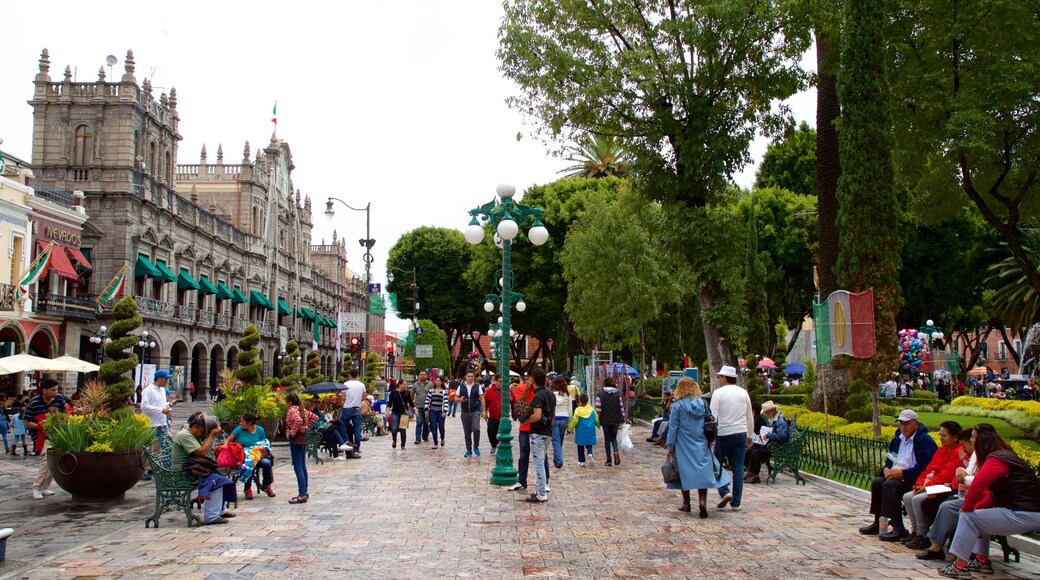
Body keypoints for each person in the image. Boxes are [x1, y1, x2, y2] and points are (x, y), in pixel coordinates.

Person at [939, 425, 1040, 578]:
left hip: (1023, 513)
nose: (971, 440)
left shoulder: (996, 459)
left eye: (973, 437)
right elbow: (996, 494)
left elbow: (978, 485)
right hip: (1028, 512)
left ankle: (959, 567)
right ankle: (981, 559)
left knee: (969, 517)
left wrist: (966, 509)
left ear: (981, 440)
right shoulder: (1006, 456)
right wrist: (975, 508)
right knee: (977, 515)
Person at [859, 409, 939, 540]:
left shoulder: (923, 440)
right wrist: (887, 468)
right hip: (897, 474)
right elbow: (891, 457)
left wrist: (904, 474)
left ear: (916, 424)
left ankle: (898, 527)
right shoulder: (898, 439)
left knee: (890, 485)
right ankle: (879, 522)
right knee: (878, 483)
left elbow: (925, 466)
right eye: (901, 423)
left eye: (907, 423)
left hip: (915, 478)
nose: (903, 427)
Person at [667, 378, 731, 518]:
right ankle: (702, 502)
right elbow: (710, 421)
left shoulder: (678, 406)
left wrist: (670, 445)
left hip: (683, 443)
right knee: (702, 472)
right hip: (701, 441)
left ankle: (686, 503)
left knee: (684, 473)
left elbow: (673, 428)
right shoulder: (703, 403)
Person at [900, 421, 964, 549]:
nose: (941, 438)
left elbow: (945, 475)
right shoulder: (941, 451)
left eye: (944, 436)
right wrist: (918, 484)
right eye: (940, 435)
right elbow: (929, 469)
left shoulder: (957, 453)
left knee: (918, 499)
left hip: (944, 487)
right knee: (907, 496)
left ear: (955, 437)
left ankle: (923, 535)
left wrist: (926, 487)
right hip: (929, 483)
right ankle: (916, 530)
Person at [916, 429, 978, 560]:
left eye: (944, 435)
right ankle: (923, 534)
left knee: (946, 506)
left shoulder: (968, 455)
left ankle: (935, 545)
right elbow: (934, 469)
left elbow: (973, 478)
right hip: (955, 489)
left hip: (970, 495)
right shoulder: (964, 455)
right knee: (925, 501)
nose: (941, 438)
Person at [174, 412, 236, 525]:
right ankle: (211, 516)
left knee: (223, 474)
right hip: (184, 472)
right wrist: (211, 435)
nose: (202, 436)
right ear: (194, 427)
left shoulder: (191, 434)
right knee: (216, 480)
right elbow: (202, 452)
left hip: (194, 468)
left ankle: (221, 510)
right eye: (202, 432)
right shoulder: (184, 435)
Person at [710, 365, 754, 511]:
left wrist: (710, 436)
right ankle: (737, 502)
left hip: (724, 433)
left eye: (720, 377)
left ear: (724, 377)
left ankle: (724, 491)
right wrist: (750, 435)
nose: (719, 379)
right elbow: (749, 417)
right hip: (740, 433)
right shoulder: (743, 393)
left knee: (716, 465)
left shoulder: (718, 393)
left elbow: (713, 416)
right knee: (738, 467)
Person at [24, 379, 68, 499]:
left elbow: (64, 415)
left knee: (53, 460)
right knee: (47, 458)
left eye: (56, 389)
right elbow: (27, 422)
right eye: (52, 390)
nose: (55, 392)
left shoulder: (59, 399)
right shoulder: (34, 402)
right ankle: (37, 487)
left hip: (57, 433)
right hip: (40, 435)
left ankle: (44, 487)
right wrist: (42, 425)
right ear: (44, 390)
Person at [508, 373, 550, 492]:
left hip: (539, 428)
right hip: (525, 427)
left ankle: (545, 481)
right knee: (523, 454)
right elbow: (518, 404)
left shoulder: (543, 391)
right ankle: (521, 480)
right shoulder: (521, 388)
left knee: (542, 455)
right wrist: (526, 389)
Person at [225, 413, 275, 500]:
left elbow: (263, 444)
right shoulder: (239, 430)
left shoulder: (260, 430)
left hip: (257, 456)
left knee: (267, 463)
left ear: (249, 423)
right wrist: (225, 447)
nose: (240, 423)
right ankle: (247, 488)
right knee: (249, 464)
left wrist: (262, 452)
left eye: (242, 421)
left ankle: (266, 485)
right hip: (243, 457)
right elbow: (228, 440)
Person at [525, 367, 554, 503]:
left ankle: (541, 493)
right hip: (548, 431)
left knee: (539, 464)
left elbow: (536, 416)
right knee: (541, 461)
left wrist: (526, 420)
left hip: (538, 433)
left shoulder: (538, 396)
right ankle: (539, 489)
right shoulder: (550, 394)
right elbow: (552, 415)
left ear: (533, 379)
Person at [743, 400, 790, 483]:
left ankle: (754, 474)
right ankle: (751, 472)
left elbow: (782, 436)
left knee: (756, 453)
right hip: (770, 443)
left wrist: (768, 435)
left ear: (771, 411)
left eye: (766, 413)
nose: (765, 415)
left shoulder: (781, 421)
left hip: (775, 446)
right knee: (750, 450)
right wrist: (761, 436)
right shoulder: (774, 419)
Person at [284, 393, 317, 504]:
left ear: (289, 402)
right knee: (302, 465)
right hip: (302, 438)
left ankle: (302, 493)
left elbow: (297, 421)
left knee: (298, 466)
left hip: (296, 439)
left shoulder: (292, 410)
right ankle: (304, 490)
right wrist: (306, 427)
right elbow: (314, 417)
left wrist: (293, 433)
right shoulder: (301, 409)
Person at [455, 370, 485, 458]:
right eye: (469, 376)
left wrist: (483, 410)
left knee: (476, 428)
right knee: (467, 432)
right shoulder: (461, 387)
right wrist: (460, 400)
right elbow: (455, 398)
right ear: (465, 377)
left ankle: (476, 446)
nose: (471, 378)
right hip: (464, 412)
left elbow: (482, 398)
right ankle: (468, 449)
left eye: (472, 376)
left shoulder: (477, 386)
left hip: (475, 411)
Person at [597, 377, 624, 466]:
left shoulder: (600, 394)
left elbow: (598, 409)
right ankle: (616, 450)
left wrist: (598, 418)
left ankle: (608, 460)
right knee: (614, 438)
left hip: (605, 420)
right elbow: (621, 407)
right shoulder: (618, 394)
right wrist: (622, 418)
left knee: (607, 439)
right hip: (615, 419)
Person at [340, 369, 366, 457]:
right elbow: (364, 397)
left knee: (344, 429)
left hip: (347, 408)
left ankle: (346, 446)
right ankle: (357, 449)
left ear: (349, 375)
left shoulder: (346, 384)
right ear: (357, 375)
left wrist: (344, 402)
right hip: (357, 408)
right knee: (357, 430)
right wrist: (357, 402)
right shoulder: (361, 385)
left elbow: (343, 397)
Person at [567, 393, 598, 466]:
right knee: (589, 444)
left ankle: (581, 461)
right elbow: (596, 419)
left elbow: (574, 420)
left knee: (580, 445)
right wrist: (598, 424)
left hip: (580, 430)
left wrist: (570, 428)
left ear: (579, 400)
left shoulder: (577, 410)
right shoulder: (591, 409)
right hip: (590, 429)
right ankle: (590, 453)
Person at [550, 377, 571, 469]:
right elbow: (570, 409)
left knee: (555, 440)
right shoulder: (567, 395)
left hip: (555, 418)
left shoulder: (552, 394)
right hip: (564, 417)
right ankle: (557, 458)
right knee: (560, 439)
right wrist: (570, 421)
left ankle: (558, 460)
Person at [387, 379, 414, 449]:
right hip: (395, 412)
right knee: (394, 428)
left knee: (403, 430)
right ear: (400, 384)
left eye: (406, 384)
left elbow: (411, 403)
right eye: (404, 384)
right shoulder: (393, 393)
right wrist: (387, 412)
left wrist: (415, 410)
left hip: (404, 413)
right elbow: (390, 403)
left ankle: (403, 444)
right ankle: (394, 440)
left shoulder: (407, 393)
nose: (406, 386)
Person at [424, 376, 449, 448]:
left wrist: (445, 411)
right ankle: (435, 442)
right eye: (436, 380)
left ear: (441, 382)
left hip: (440, 411)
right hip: (432, 411)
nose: (437, 382)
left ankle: (442, 437)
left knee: (441, 427)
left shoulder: (444, 391)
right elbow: (427, 400)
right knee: (433, 426)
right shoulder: (431, 390)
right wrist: (426, 410)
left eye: (439, 381)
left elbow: (446, 402)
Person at [411, 371, 433, 444]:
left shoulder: (430, 384)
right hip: (418, 406)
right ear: (419, 376)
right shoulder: (415, 385)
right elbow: (412, 395)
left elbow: (433, 395)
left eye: (424, 375)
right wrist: (411, 405)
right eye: (421, 375)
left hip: (427, 407)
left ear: (426, 376)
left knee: (426, 423)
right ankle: (418, 438)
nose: (422, 376)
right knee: (419, 422)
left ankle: (425, 436)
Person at [483, 375, 502, 454]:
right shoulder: (490, 390)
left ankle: (500, 445)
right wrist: (484, 411)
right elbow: (485, 400)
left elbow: (513, 399)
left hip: (503, 417)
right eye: (499, 381)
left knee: (501, 432)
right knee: (491, 431)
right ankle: (493, 445)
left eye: (502, 382)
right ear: (496, 381)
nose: (501, 383)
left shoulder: (506, 390)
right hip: (492, 416)